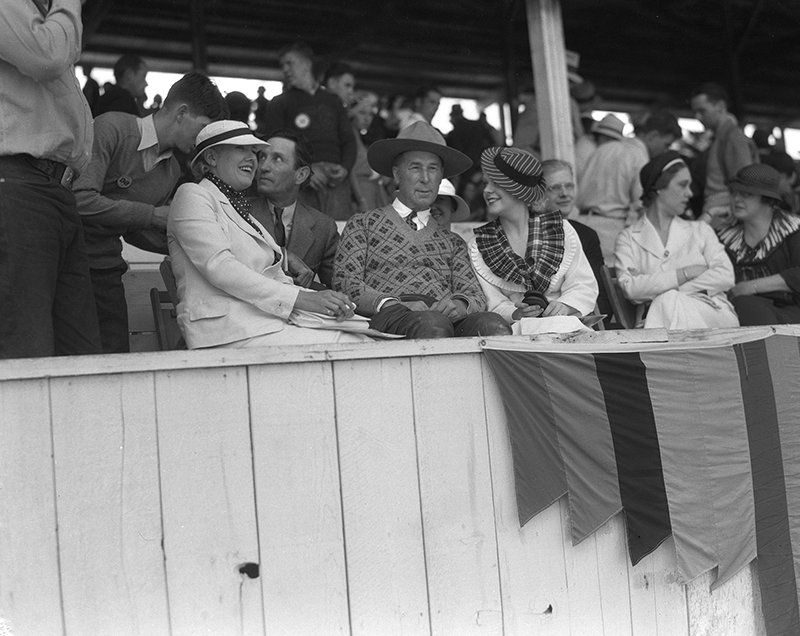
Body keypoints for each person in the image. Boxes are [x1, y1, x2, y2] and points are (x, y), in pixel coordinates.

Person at [168, 121, 367, 349]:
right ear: (212, 158)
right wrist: (304, 299)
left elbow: (275, 276)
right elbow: (220, 266)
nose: (253, 160)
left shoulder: (239, 210)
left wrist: (325, 301)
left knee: (363, 338)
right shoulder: (192, 194)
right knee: (355, 346)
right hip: (224, 332)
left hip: (260, 325)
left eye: (253, 151)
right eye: (241, 149)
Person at [73, 72, 227, 353]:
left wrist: (190, 247)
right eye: (203, 127)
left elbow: (134, 233)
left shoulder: (171, 170)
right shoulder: (112, 128)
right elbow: (79, 199)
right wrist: (153, 215)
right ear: (181, 113)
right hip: (68, 261)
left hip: (106, 267)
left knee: (116, 354)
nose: (204, 139)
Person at [334, 121, 511, 339]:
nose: (425, 179)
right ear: (397, 174)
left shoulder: (453, 242)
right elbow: (345, 281)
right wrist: (391, 303)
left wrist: (459, 305)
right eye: (415, 168)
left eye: (433, 169)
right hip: (389, 315)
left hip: (444, 318)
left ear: (441, 176)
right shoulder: (363, 224)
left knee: (493, 325)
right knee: (433, 324)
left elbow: (474, 294)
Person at [0, 0, 101, 359]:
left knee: (80, 354)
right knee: (28, 349)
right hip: (19, 184)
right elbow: (47, 57)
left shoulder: (44, 17)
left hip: (51, 189)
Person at [469, 148, 598, 332]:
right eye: (486, 183)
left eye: (496, 183)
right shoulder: (480, 246)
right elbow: (493, 304)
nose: (487, 190)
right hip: (518, 335)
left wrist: (564, 306)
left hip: (567, 328)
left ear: (519, 189)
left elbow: (583, 285)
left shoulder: (561, 231)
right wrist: (516, 313)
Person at [614, 151, 738, 330]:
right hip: (663, 322)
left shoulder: (700, 230)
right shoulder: (628, 238)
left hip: (713, 314)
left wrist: (662, 290)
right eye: (682, 185)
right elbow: (631, 288)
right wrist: (685, 273)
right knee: (668, 304)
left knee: (668, 301)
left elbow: (725, 276)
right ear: (659, 187)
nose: (690, 193)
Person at [264, 42, 355, 220]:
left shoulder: (333, 100)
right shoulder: (279, 103)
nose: (285, 69)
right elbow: (274, 146)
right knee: (304, 232)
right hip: (301, 181)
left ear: (306, 64)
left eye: (289, 63)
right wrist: (303, 171)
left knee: (339, 230)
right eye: (282, 65)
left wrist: (345, 168)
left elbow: (348, 140)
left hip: (336, 179)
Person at [577, 112, 682, 263]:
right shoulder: (639, 157)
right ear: (653, 136)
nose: (665, 150)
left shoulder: (604, 148)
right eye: (666, 144)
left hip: (581, 224)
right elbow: (640, 204)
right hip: (610, 231)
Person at [250, 130, 340, 289]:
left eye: (277, 159)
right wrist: (285, 258)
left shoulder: (323, 227)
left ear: (301, 175)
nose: (263, 167)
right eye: (262, 157)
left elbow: (339, 285)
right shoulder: (238, 211)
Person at [717, 164, 800, 325]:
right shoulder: (725, 237)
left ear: (767, 199)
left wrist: (752, 286)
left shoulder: (792, 230)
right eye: (734, 192)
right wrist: (708, 214)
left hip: (790, 319)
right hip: (737, 319)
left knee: (747, 305)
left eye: (746, 194)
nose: (736, 199)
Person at [540, 159, 611, 324]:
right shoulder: (526, 233)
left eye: (569, 186)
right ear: (538, 194)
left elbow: (601, 297)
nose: (564, 193)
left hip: (579, 321)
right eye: (555, 188)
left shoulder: (587, 235)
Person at [689, 82, 757, 227]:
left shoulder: (733, 137)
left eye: (702, 111)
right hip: (721, 215)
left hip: (726, 219)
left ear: (720, 107)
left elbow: (744, 182)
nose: (698, 117)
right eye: (695, 112)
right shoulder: (720, 138)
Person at [347, 91, 391, 213]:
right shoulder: (349, 136)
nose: (367, 118)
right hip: (361, 195)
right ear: (352, 113)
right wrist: (361, 200)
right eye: (362, 112)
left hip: (371, 193)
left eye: (371, 114)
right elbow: (351, 171)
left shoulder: (359, 137)